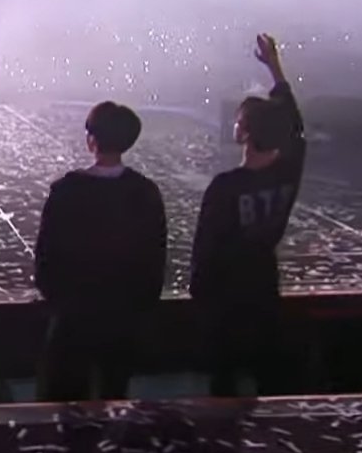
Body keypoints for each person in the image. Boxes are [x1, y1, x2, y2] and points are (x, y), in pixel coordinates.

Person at [190, 33, 308, 397]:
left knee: (223, 381)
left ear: (244, 134)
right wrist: (275, 68)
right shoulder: (290, 169)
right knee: (266, 374)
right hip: (263, 283)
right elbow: (294, 124)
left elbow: (205, 251)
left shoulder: (225, 187)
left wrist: (199, 299)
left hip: (224, 296)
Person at [34, 101, 168, 402]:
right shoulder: (144, 191)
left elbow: (46, 254)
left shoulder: (67, 190)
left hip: (72, 316)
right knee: (114, 394)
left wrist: (57, 299)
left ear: (91, 140)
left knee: (64, 397)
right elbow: (155, 258)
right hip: (123, 316)